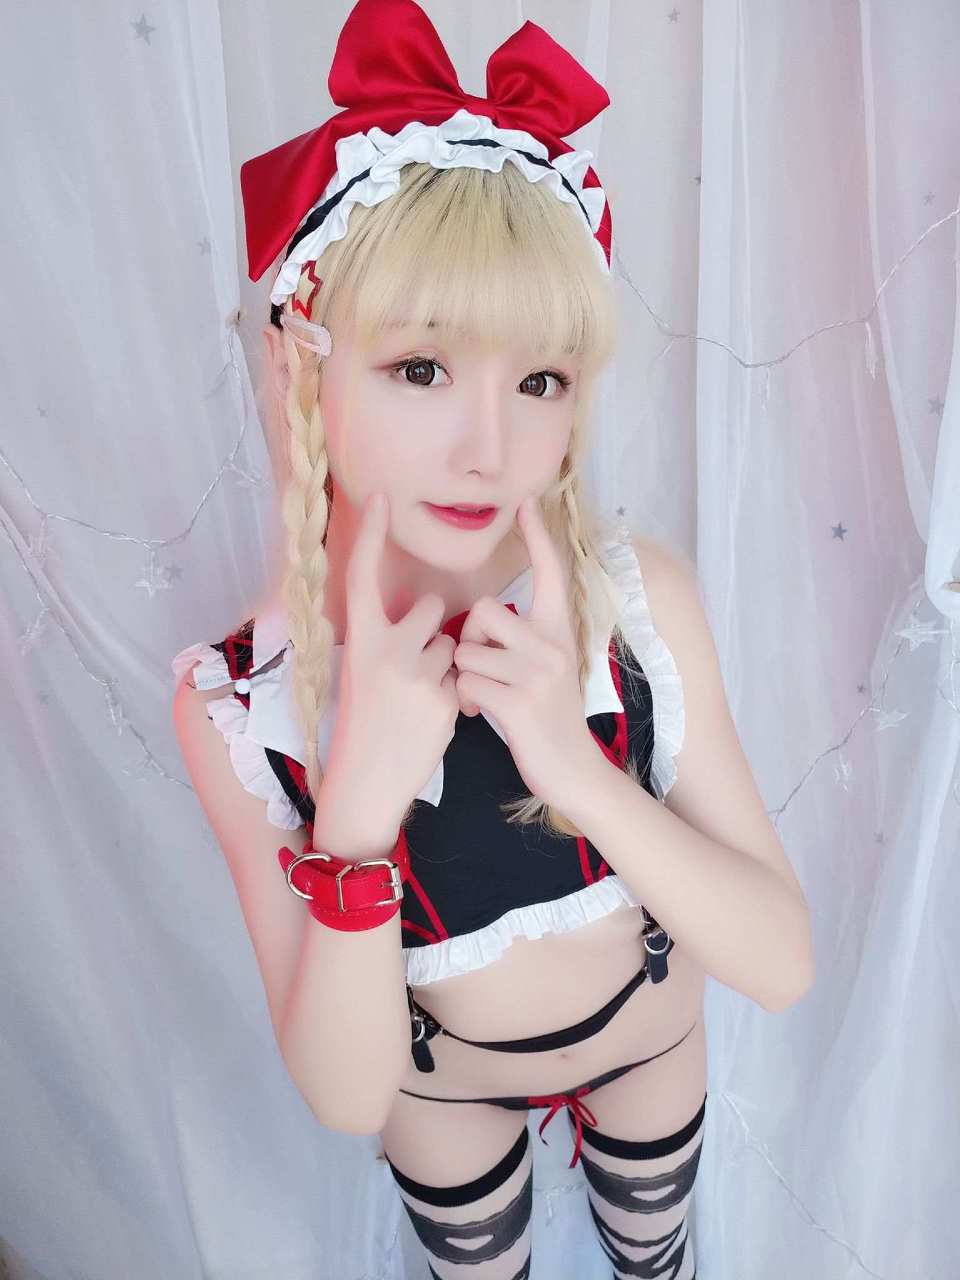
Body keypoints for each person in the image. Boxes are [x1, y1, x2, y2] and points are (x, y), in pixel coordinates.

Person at [172, 2, 812, 1275]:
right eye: (421, 368)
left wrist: (574, 766)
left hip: (649, 1033)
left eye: (540, 380)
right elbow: (348, 1094)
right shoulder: (246, 704)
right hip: (439, 1085)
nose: (491, 446)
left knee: (658, 1253)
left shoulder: (634, 602)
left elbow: (781, 962)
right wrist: (356, 813)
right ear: (303, 371)